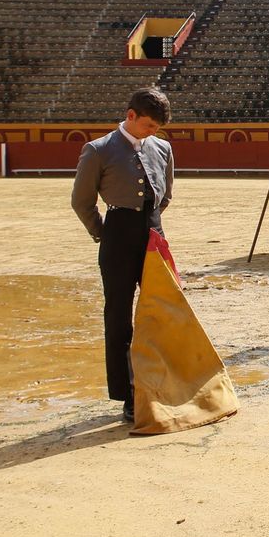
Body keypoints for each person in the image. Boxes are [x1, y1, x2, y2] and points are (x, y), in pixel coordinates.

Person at [70, 87, 174, 424]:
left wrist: (151, 227)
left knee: (161, 312)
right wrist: (104, 233)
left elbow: (165, 194)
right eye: (148, 126)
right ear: (130, 116)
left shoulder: (162, 148)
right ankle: (128, 393)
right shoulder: (98, 150)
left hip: (154, 236)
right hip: (117, 235)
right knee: (119, 317)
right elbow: (81, 202)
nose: (152, 133)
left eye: (157, 128)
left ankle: (159, 384)